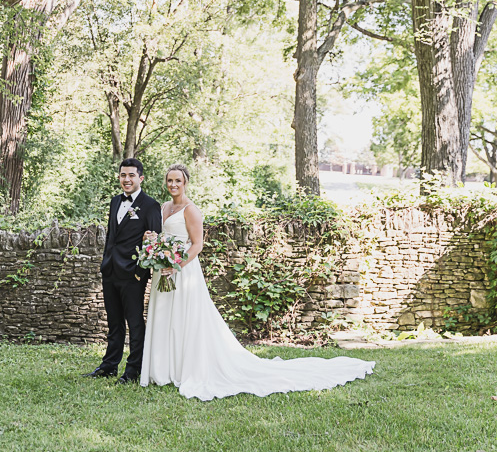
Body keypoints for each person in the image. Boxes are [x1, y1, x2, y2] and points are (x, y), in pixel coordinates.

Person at [140, 163, 375, 401]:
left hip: (184, 270)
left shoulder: (191, 210)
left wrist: (176, 265)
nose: (173, 185)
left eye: (177, 181)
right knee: (167, 316)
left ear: (185, 182)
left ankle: (186, 368)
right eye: (169, 180)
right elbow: (167, 237)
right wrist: (154, 240)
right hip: (165, 269)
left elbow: (197, 245)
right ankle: (165, 369)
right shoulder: (165, 207)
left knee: (184, 317)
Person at [83, 157, 162, 384]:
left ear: (141, 178)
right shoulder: (115, 201)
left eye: (131, 175)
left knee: (135, 324)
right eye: (123, 175)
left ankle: (133, 371)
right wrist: (105, 262)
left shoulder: (150, 205)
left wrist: (140, 272)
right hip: (110, 271)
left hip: (132, 274)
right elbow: (112, 237)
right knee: (114, 322)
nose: (126, 179)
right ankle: (109, 366)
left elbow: (154, 244)